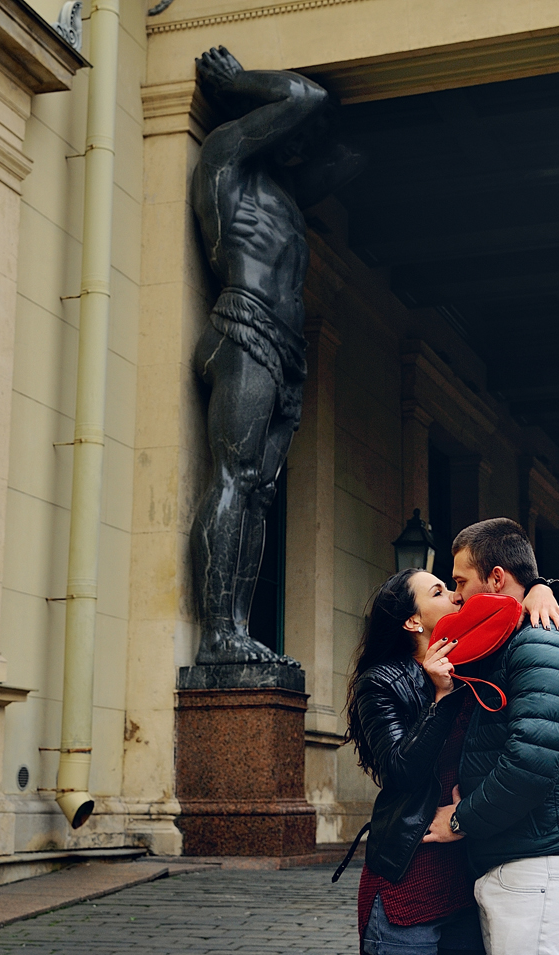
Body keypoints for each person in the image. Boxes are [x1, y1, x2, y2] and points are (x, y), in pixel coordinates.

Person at [189, 46, 366, 665]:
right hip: (243, 324)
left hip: (285, 347)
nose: (303, 140)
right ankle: (216, 633)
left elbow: (353, 153)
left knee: (260, 491)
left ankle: (236, 630)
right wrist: (239, 83)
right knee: (235, 477)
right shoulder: (226, 159)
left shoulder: (289, 197)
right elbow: (304, 97)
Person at [344, 568, 559, 955]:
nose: (454, 596)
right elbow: (400, 770)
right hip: (408, 880)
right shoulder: (381, 682)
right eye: (438, 592)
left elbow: (523, 623)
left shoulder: (476, 663)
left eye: (452, 587)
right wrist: (441, 698)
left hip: (470, 882)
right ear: (413, 621)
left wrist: (540, 589)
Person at [424, 518, 559, 955]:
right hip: (526, 863)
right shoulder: (520, 636)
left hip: (540, 867)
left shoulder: (540, 641)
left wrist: (460, 818)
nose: (455, 595)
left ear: (497, 577)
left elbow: (530, 764)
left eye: (461, 581)